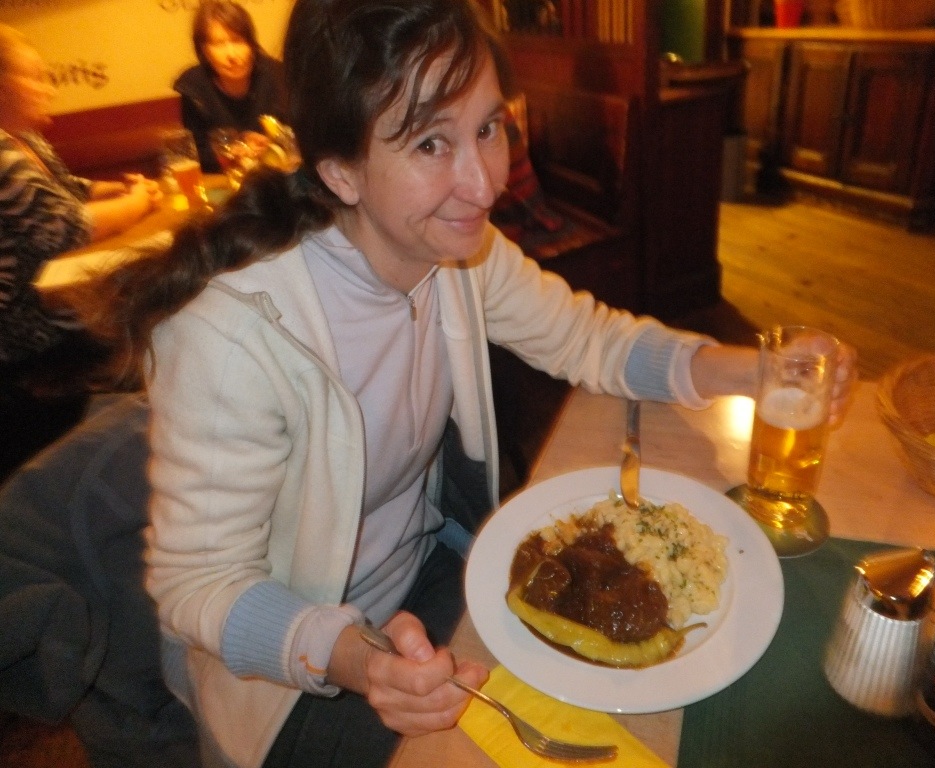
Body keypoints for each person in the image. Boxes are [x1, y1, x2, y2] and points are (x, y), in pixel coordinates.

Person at [68, 1, 856, 766]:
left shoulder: (458, 251)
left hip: (436, 576)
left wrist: (754, 368)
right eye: (430, 144)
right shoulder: (234, 334)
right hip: (290, 680)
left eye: (487, 127)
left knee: (653, 720)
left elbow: (588, 338)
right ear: (341, 170)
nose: (484, 183)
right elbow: (196, 584)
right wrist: (353, 656)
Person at [0, 23, 161, 482]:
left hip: (52, 308)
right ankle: (121, 466)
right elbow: (68, 227)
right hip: (26, 332)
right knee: (143, 328)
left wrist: (115, 188)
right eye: (34, 77)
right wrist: (140, 202)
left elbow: (68, 188)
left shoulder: (25, 140)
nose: (47, 88)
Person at [173, 0, 287, 173]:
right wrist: (231, 150)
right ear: (204, 51)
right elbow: (194, 152)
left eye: (237, 41)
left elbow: (300, 137)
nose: (231, 55)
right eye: (219, 44)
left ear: (251, 44)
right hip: (223, 179)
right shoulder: (194, 87)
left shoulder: (278, 76)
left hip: (277, 176)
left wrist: (272, 144)